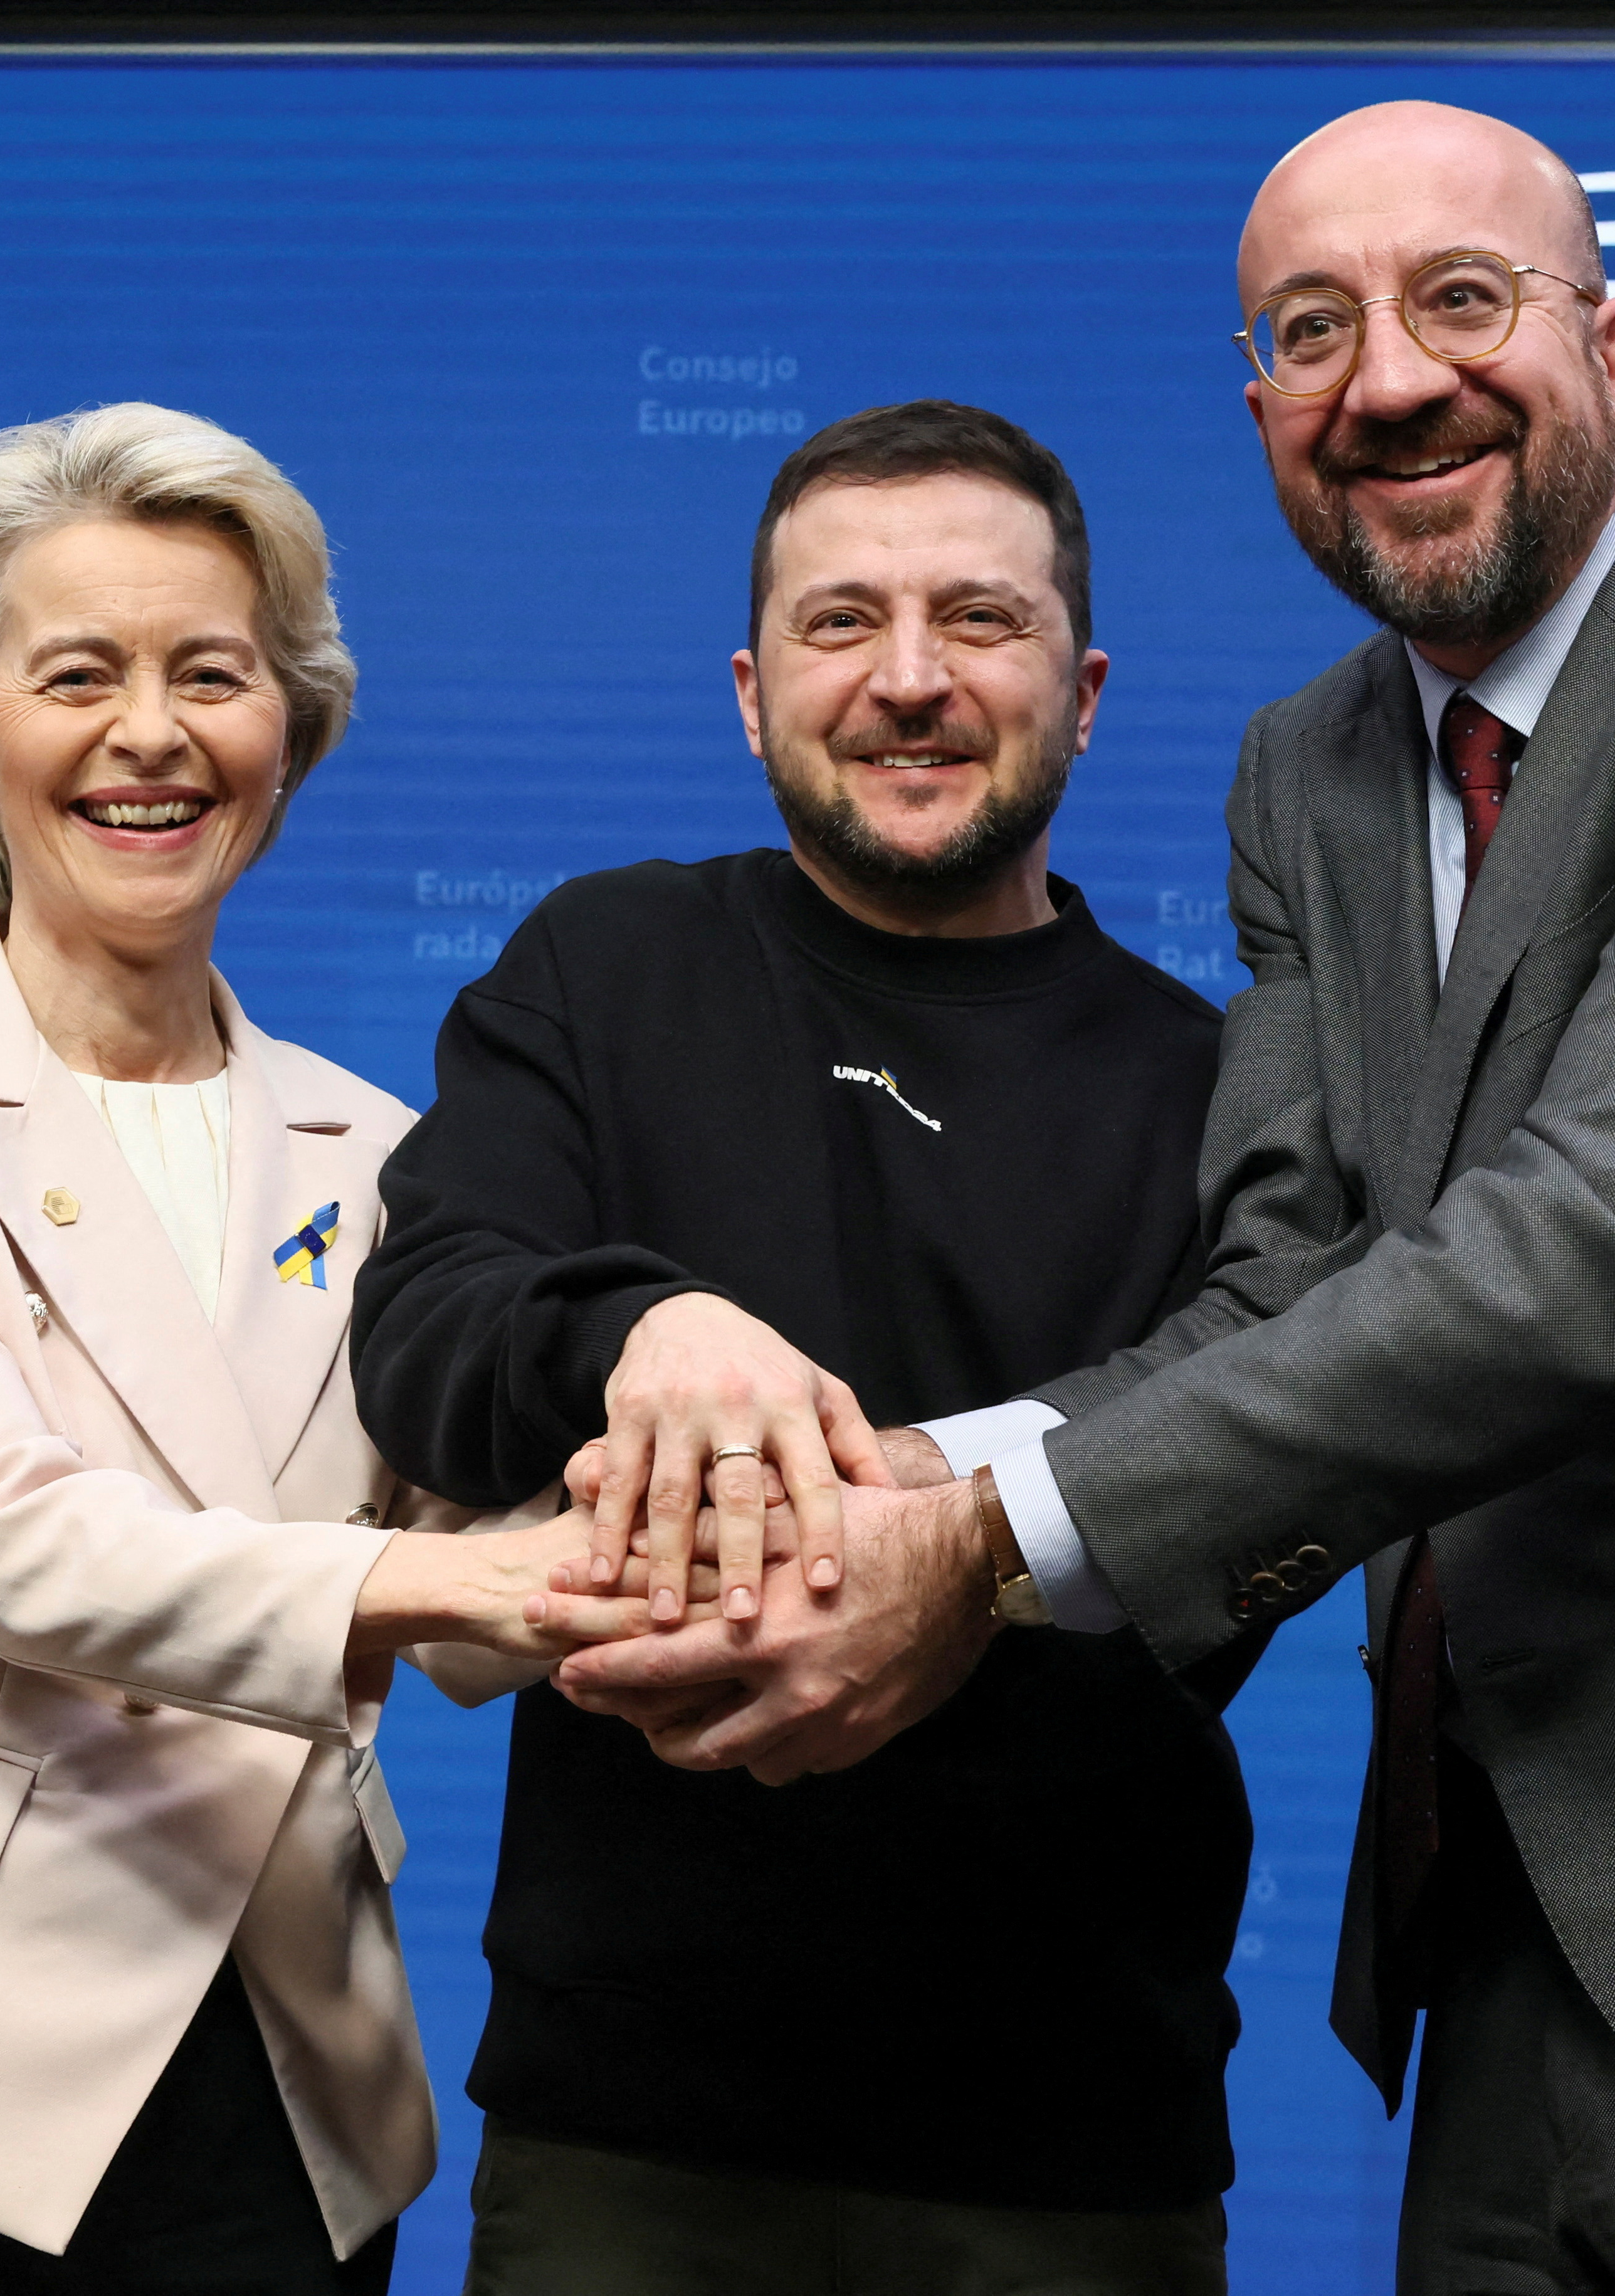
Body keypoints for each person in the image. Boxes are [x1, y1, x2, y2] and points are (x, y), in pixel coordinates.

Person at [559, 105, 1615, 2293]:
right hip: (1516, 1912)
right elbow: (1294, 1278)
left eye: (1460, 300)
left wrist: (978, 1552)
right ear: (1262, 412)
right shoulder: (1312, 769)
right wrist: (895, 1485)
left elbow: (1595, 1251)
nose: (1385, 380)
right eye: (1309, 331)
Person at [0, 403, 651, 2296]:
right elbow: (2, 1538)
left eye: (214, 674)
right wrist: (461, 1580)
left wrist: (708, 1522)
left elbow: (484, 1586)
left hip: (279, 2089)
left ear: (289, 737)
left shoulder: (383, 1153)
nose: (153, 734)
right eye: (78, 674)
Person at [350, 401, 1249, 2293]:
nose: (910, 679)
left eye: (979, 621)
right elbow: (426, 1331)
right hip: (629, 2133)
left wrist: (895, 1552)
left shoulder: (1214, 1089)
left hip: (1072, 2142)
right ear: (755, 695)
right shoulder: (602, 966)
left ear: (1083, 694)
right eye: (843, 623)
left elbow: (1229, 1515)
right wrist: (645, 1327)